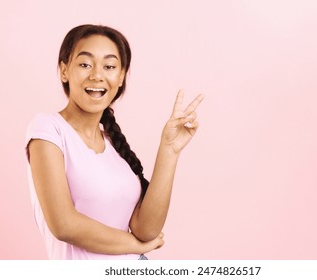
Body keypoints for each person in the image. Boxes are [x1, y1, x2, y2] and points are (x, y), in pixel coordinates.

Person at [25, 24, 204, 260]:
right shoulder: (48, 128)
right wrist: (135, 245)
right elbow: (64, 224)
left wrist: (169, 150)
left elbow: (146, 230)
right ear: (64, 70)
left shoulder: (113, 143)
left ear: (120, 77)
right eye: (85, 64)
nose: (97, 75)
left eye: (109, 66)